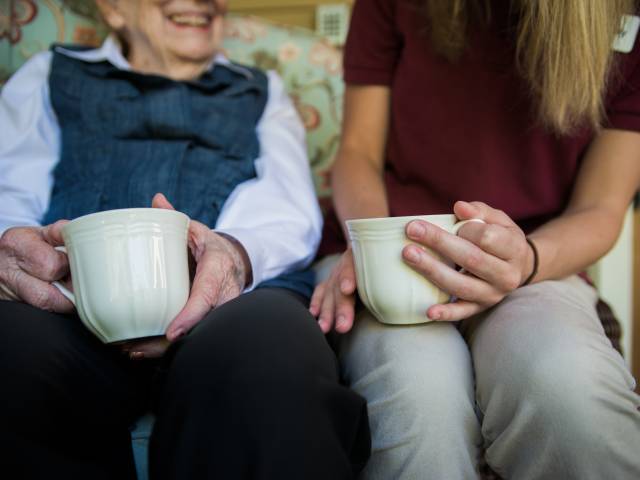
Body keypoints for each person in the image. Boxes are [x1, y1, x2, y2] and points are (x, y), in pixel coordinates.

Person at [0, 1, 370, 479]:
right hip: (71, 305)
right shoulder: (51, 73)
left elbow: (286, 204)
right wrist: (17, 254)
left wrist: (232, 254)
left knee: (273, 365)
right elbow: (9, 192)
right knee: (9, 353)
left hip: (236, 304)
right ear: (113, 8)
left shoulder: (260, 88)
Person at [311, 0, 640, 478]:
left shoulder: (626, 18)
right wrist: (372, 249)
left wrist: (526, 259)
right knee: (417, 394)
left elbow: (601, 208)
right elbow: (357, 152)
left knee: (568, 393)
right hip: (393, 248)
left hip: (537, 263)